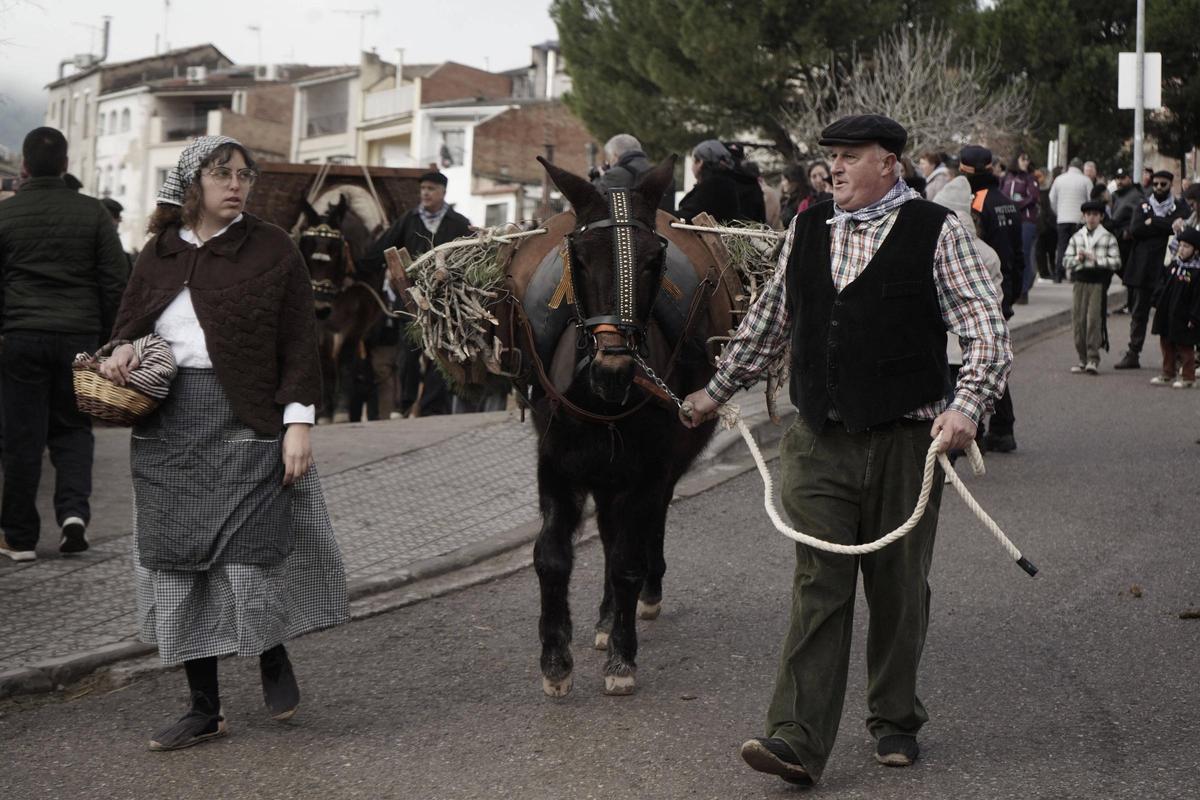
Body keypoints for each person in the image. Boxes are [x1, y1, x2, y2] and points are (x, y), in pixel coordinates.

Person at [680, 114, 1011, 788]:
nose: (835, 167)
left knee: (897, 590)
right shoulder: (807, 228)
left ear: (889, 162)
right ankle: (796, 740)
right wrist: (713, 393)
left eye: (851, 156)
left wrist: (967, 406)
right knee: (819, 585)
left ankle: (894, 718)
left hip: (905, 445)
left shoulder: (934, 231)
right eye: (830, 156)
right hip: (817, 441)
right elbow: (770, 324)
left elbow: (985, 331)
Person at [97, 135, 348, 750]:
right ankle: (204, 708)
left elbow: (297, 341)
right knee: (179, 561)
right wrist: (122, 351)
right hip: (169, 431)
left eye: (244, 174)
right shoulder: (158, 252)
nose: (236, 184)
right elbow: (125, 329)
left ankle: (268, 649)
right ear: (192, 184)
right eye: (222, 174)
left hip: (249, 423)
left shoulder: (272, 248)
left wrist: (298, 423)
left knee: (247, 557)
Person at [0, 127, 128, 562]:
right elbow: (115, 281)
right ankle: (73, 517)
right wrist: (108, 339)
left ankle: (18, 538)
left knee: (23, 436)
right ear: (67, 166)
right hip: (78, 337)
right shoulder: (93, 214)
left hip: (20, 337)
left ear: (24, 167)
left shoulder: (7, 215)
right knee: (73, 430)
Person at [362, 171, 473, 416]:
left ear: (443, 192)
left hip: (446, 304)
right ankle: (403, 406)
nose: (425, 193)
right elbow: (381, 248)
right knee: (408, 356)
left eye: (431, 188)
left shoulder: (458, 222)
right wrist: (360, 266)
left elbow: (472, 256)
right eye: (423, 188)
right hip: (411, 302)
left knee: (440, 355)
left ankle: (431, 408)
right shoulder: (408, 220)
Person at [959, 145, 1022, 453]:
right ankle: (1001, 427)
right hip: (1005, 287)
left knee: (976, 359)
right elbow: (1019, 253)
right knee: (993, 355)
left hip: (984, 289)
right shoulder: (1007, 201)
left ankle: (983, 429)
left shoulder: (977, 203)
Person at [1114, 170, 1191, 370]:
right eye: (1155, 184)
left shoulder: (1180, 206)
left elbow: (1182, 229)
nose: (1157, 188)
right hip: (1142, 266)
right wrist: (1166, 225)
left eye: (1163, 185)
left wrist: (1153, 221)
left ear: (1170, 185)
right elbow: (1137, 228)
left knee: (1171, 312)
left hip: (1167, 267)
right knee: (1139, 313)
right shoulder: (1143, 204)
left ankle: (1173, 356)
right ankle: (1133, 353)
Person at [1063, 200, 1121, 374]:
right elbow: (1065, 260)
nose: (1091, 218)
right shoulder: (1077, 237)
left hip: (1097, 281)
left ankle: (1093, 358)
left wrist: (1097, 259)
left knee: (1093, 319)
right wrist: (1077, 259)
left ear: (1101, 217)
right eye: (1088, 215)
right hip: (1080, 280)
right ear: (1084, 216)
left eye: (1095, 215)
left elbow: (1117, 262)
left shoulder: (1108, 237)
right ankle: (1082, 358)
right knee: (1078, 320)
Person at [1148, 228, 1200, 388]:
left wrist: (1194, 317)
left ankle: (1188, 377)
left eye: (1187, 247)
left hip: (1184, 316)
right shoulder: (1173, 265)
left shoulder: (1196, 272)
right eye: (1181, 245)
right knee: (1166, 343)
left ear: (1196, 251)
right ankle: (1168, 373)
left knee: (1185, 347)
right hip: (1167, 312)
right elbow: (1162, 284)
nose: (1182, 249)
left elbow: (1198, 298)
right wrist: (1156, 299)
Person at [590, 133, 675, 213]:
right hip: (663, 225)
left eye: (609, 158)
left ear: (615, 156)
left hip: (633, 227)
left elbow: (593, 201)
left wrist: (598, 179)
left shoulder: (615, 175)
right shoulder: (660, 174)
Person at [1001, 152, 1040, 303]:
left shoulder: (1030, 178)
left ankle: (1024, 290)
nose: (1026, 161)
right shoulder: (1007, 178)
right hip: (1008, 220)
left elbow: (1033, 197)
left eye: (1028, 158)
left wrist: (1016, 205)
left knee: (1023, 253)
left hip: (1026, 220)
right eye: (1023, 158)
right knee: (1010, 254)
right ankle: (1012, 289)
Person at [676, 139, 745, 224]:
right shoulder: (725, 182)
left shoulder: (715, 185)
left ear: (700, 162)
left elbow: (690, 214)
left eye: (694, 161)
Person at [1049, 158, 1094, 283]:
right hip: (1079, 219)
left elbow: (1052, 199)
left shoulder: (1059, 180)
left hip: (1062, 218)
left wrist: (1058, 212)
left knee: (1062, 247)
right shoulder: (1086, 181)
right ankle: (1074, 275)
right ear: (1081, 167)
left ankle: (1059, 274)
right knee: (1077, 247)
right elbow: (1091, 200)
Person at [1110, 167, 1145, 271]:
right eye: (1117, 178)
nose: (1119, 181)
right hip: (1117, 236)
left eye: (1122, 178)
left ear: (1129, 178)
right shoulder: (1115, 195)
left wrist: (1129, 231)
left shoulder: (1136, 195)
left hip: (1128, 239)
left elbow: (1140, 216)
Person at [778, 164, 809, 229]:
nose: (782, 183)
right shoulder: (787, 199)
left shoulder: (806, 200)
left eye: (784, 179)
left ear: (793, 180)